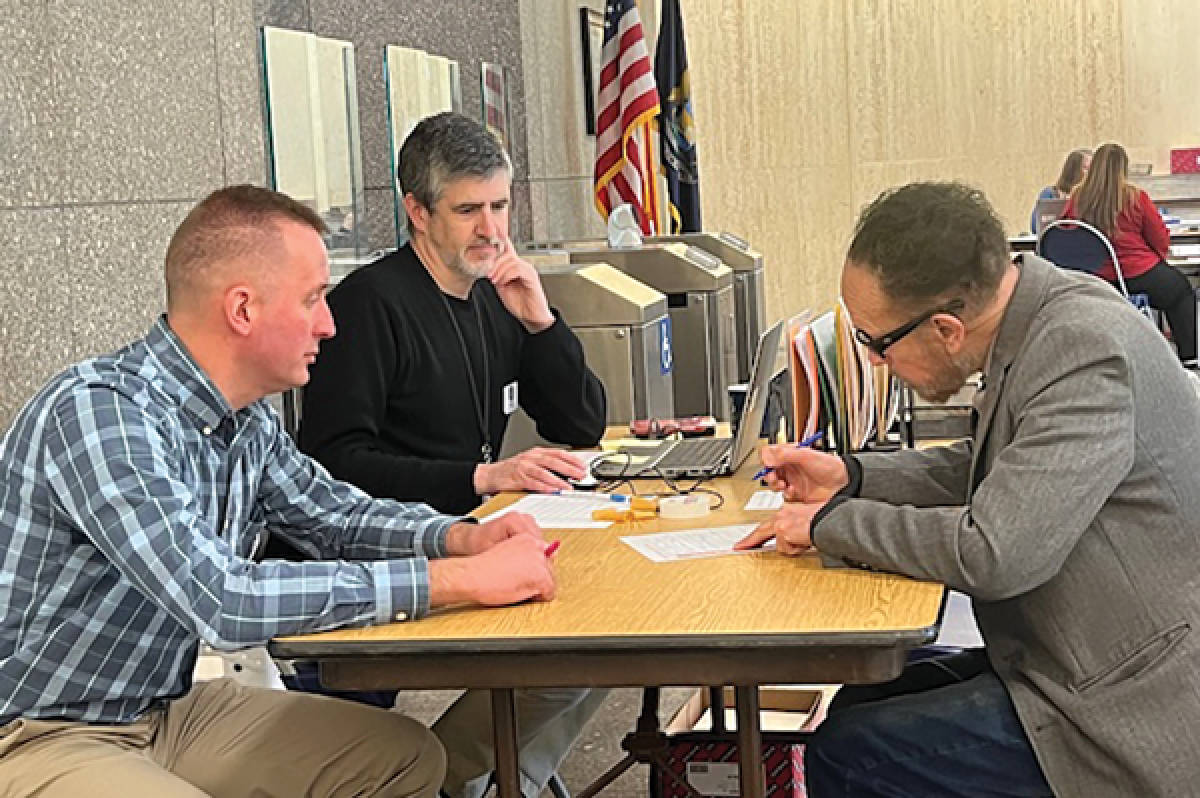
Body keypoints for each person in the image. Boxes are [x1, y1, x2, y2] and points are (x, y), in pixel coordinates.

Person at [0, 185, 561, 797]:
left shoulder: (244, 418)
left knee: (405, 758)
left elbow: (334, 517)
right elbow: (223, 598)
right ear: (243, 309)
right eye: (314, 298)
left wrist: (461, 537)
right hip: (37, 732)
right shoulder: (101, 417)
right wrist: (453, 580)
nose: (329, 323)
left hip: (159, 710)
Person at [737, 181, 1200, 797]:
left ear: (947, 329)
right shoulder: (1042, 316)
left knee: (850, 757)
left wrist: (829, 525)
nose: (876, 364)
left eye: (876, 345)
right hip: (1072, 653)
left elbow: (997, 553)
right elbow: (990, 468)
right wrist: (853, 477)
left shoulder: (1081, 349)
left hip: (1130, 701)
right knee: (857, 704)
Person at [297, 111, 608, 798]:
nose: (491, 230)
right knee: (580, 645)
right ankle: (460, 773)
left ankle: (475, 773)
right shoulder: (367, 307)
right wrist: (480, 477)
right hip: (384, 557)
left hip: (473, 538)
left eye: (499, 206)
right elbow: (332, 465)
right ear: (417, 210)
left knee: (603, 636)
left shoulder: (495, 294)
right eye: (469, 210)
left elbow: (582, 421)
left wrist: (540, 321)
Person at [1062, 141, 1197, 365]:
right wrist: (1158, 258)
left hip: (1096, 278)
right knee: (1181, 291)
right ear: (1123, 168)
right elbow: (1160, 238)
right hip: (1137, 273)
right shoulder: (1135, 196)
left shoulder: (1078, 198)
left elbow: (1067, 232)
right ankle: (1189, 357)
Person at [1030, 148, 1091, 232]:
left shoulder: (1095, 196)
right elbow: (1035, 225)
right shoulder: (1050, 193)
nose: (1091, 173)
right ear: (1073, 170)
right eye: (1086, 168)